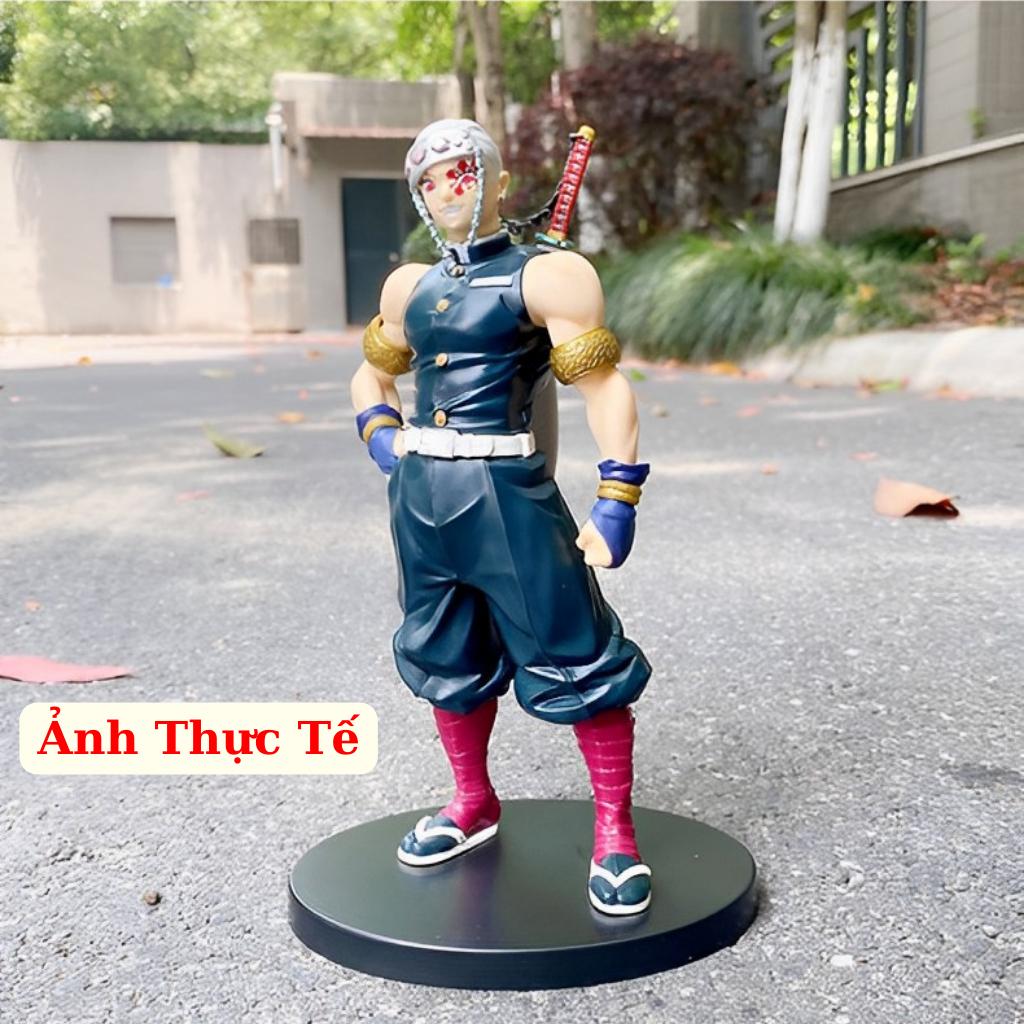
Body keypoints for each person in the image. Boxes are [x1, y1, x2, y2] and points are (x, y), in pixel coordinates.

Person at [350, 119, 653, 915]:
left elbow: (604, 387)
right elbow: (370, 375)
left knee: (577, 653)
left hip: (505, 489)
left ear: (496, 181)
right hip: (421, 494)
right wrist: (380, 434)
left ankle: (615, 832)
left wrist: (617, 494)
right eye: (428, 180)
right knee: (444, 653)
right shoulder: (408, 287)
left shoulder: (548, 277)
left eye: (460, 172)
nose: (444, 189)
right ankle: (472, 801)